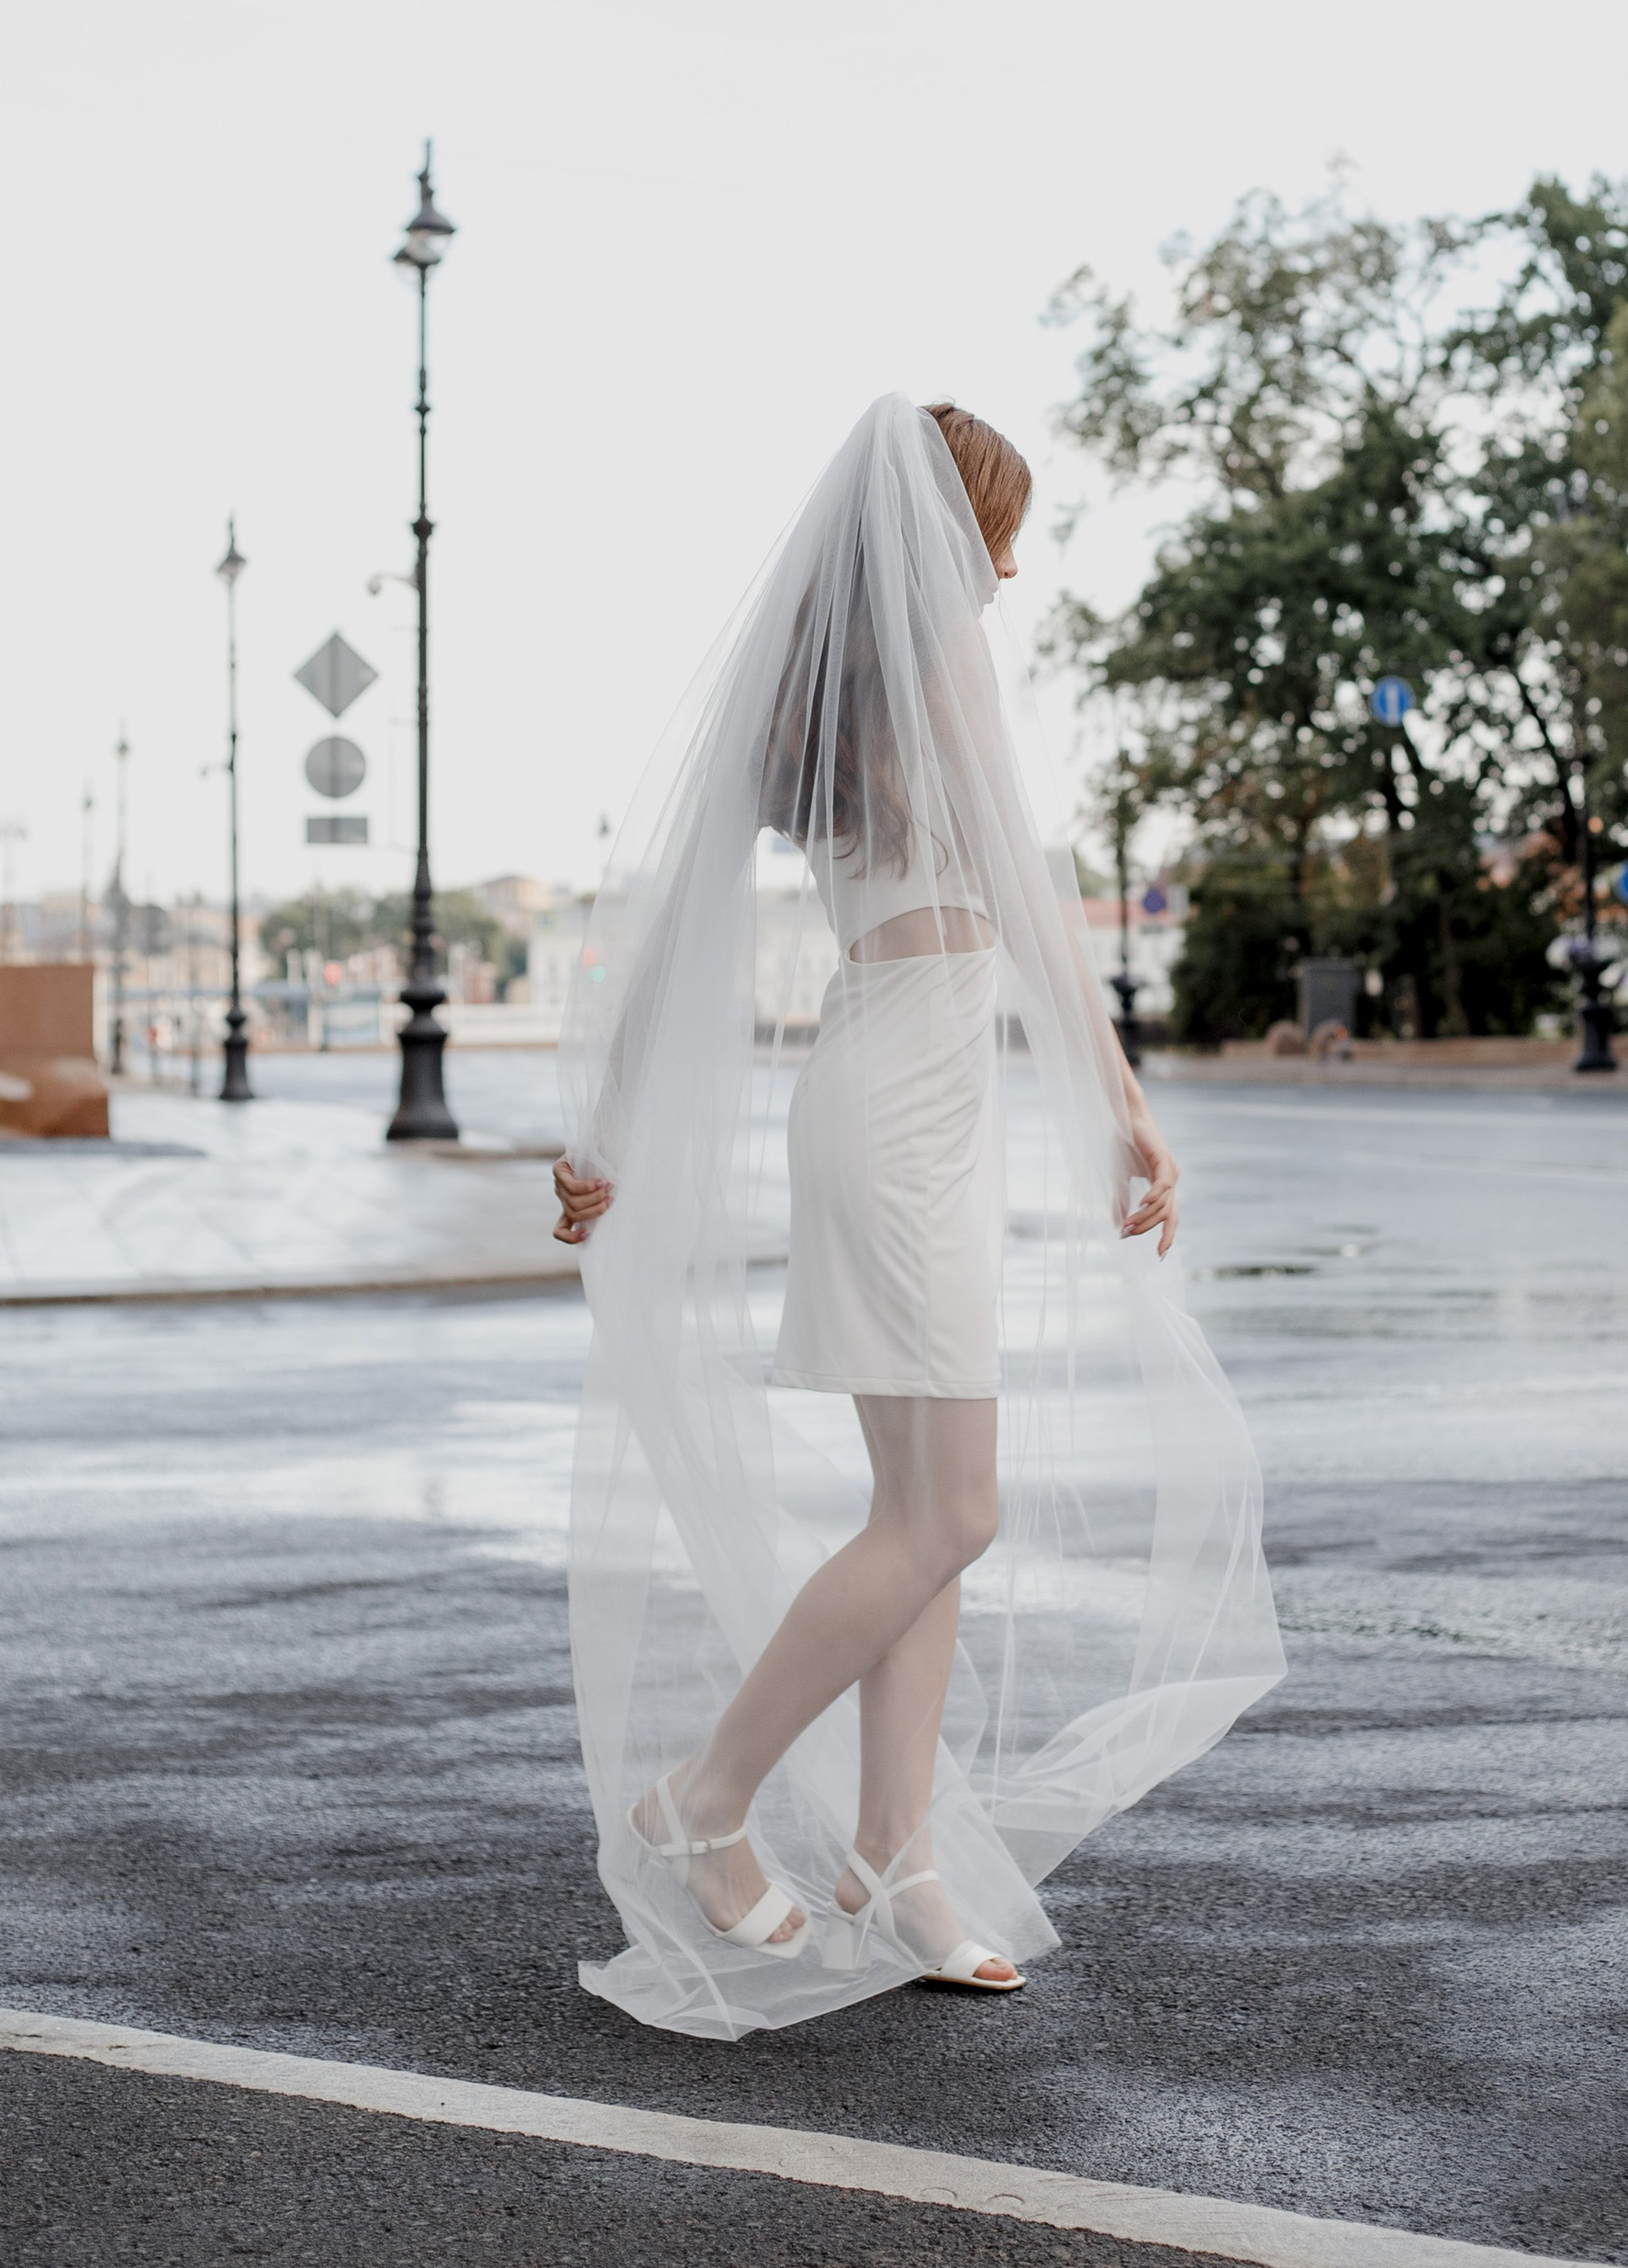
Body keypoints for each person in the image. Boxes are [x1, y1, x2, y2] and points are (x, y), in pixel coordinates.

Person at [552, 396, 1281, 2040]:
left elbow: (673, 932)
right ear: (947, 535)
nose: (1011, 567)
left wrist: (601, 1124)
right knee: (949, 1514)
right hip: (903, 1109)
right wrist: (1123, 1099)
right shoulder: (939, 664)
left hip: (894, 1093)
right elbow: (1028, 897)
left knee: (929, 1503)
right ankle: (707, 1793)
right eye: (1000, 531)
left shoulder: (809, 708)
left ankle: (896, 1855)